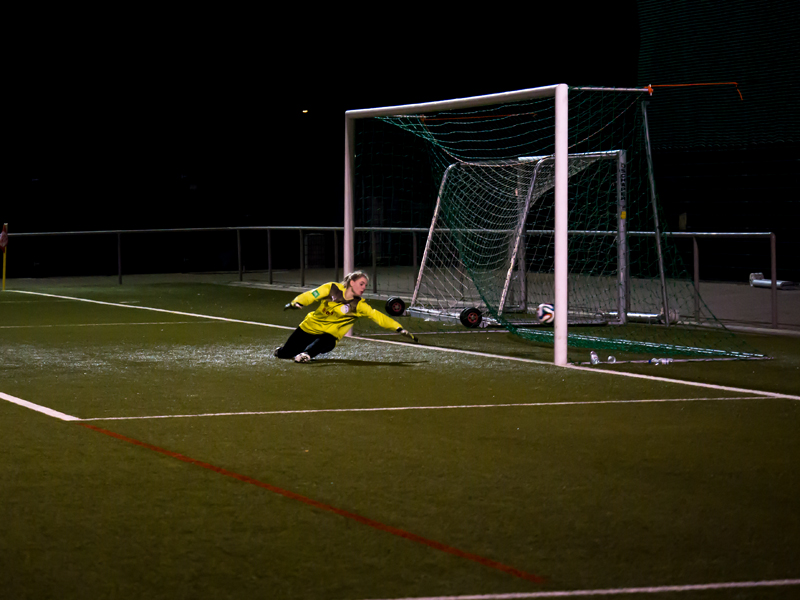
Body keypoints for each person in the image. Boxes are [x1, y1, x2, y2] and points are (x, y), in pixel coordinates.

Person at [275, 271, 418, 363]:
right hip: (309, 327)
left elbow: (377, 316)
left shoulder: (359, 305)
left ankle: (307, 354)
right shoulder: (332, 288)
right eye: (361, 284)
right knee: (284, 354)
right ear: (351, 283)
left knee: (325, 340)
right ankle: (288, 351)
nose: (363, 288)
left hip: (329, 336)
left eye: (365, 286)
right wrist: (297, 302)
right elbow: (312, 294)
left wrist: (398, 328)